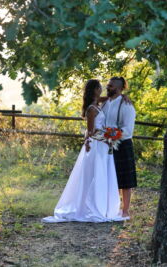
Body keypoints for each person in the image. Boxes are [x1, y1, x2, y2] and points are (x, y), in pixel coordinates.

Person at [42, 79, 125, 223]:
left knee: (101, 173)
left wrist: (123, 96)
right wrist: (106, 137)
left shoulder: (97, 103)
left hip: (102, 145)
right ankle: (90, 206)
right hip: (96, 145)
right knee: (93, 174)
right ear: (94, 90)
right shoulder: (91, 109)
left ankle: (100, 205)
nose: (102, 88)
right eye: (99, 87)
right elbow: (91, 131)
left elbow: (112, 97)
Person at [101, 77, 137, 218]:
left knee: (125, 180)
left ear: (120, 88)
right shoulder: (105, 103)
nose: (107, 88)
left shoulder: (126, 106)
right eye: (108, 85)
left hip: (123, 144)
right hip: (105, 144)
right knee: (110, 178)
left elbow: (128, 130)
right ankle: (111, 208)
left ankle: (125, 211)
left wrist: (109, 134)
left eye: (111, 86)